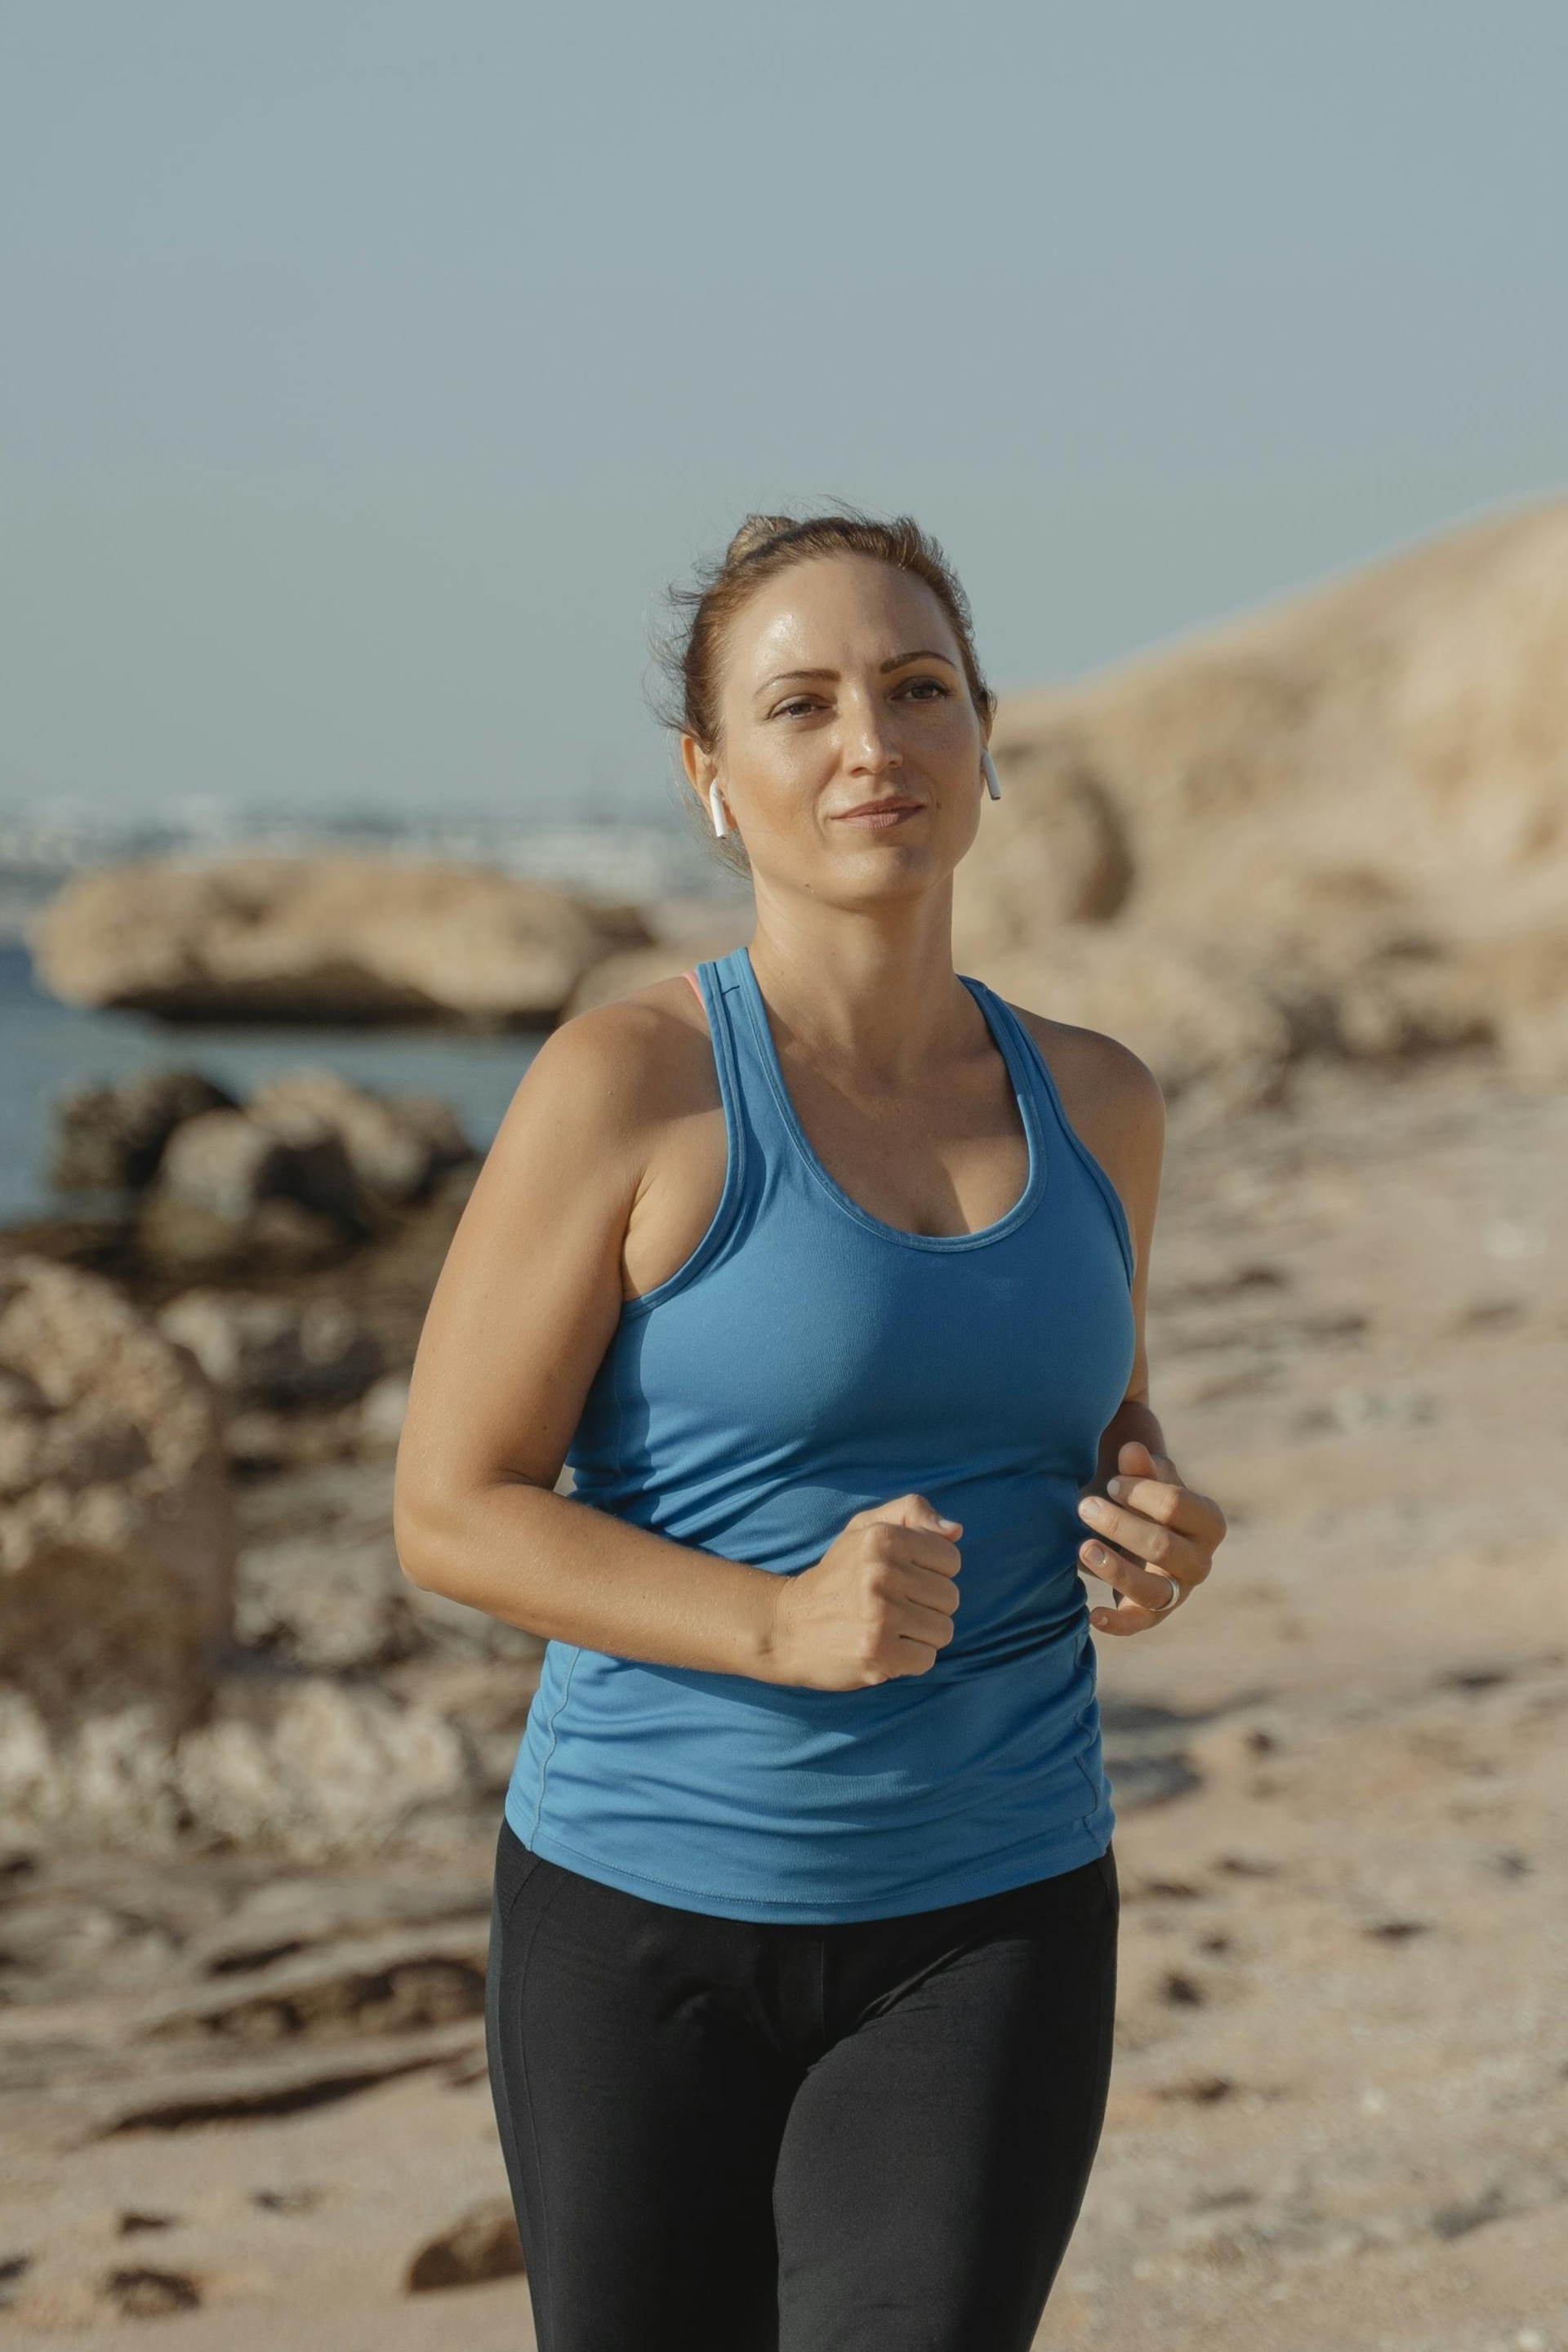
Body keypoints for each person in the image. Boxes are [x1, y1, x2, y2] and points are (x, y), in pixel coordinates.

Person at [393, 510, 1228, 2352]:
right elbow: (451, 1509)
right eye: (804, 703)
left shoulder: (1101, 1103)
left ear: (983, 741)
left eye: (919, 688)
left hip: (994, 1908)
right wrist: (777, 1624)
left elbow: (1096, 1418)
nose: (874, 741)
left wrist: (1152, 1522)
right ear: (714, 780)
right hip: (638, 1922)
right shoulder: (628, 1085)